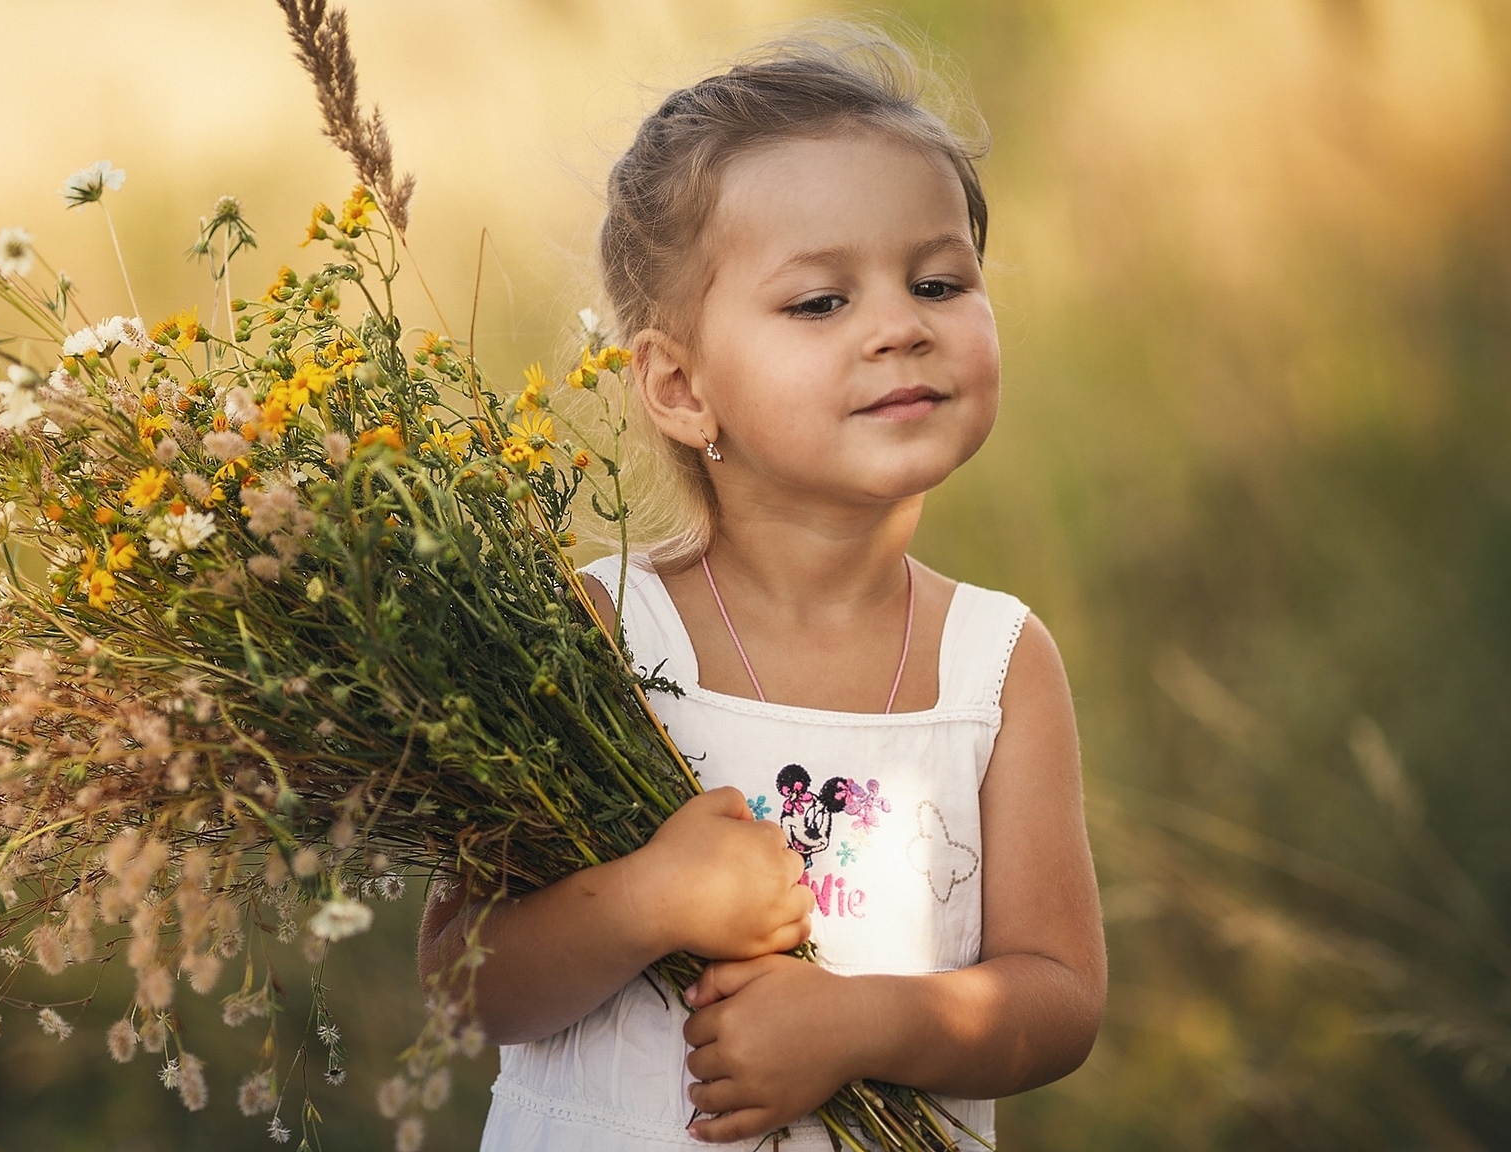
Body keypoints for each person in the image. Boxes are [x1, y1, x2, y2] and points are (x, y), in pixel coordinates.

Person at [420, 26, 1106, 1150]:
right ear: (682, 387)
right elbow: (463, 984)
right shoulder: (607, 634)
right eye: (817, 303)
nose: (898, 326)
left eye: (937, 281)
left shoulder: (993, 662)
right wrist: (647, 901)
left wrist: (856, 1023)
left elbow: (1058, 1001)